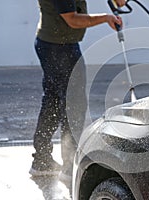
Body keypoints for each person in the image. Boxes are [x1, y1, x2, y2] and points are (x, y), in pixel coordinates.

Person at [29, 0, 125, 182]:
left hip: (53, 43)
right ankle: (69, 164)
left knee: (53, 102)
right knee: (74, 104)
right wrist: (106, 18)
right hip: (60, 48)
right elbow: (72, 20)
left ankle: (41, 161)